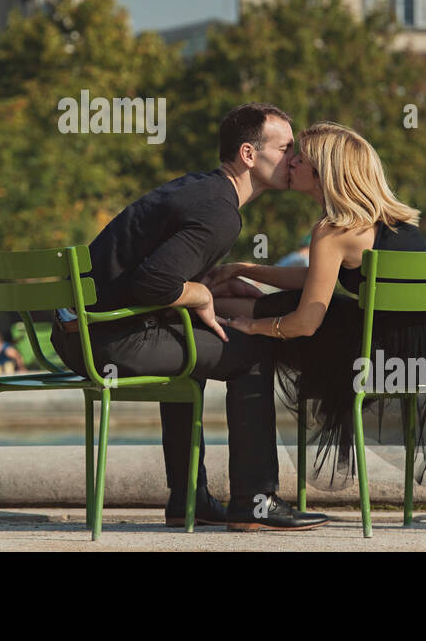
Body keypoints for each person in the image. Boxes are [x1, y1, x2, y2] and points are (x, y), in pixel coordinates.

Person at [49, 103, 329, 532]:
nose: (294, 158)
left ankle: (188, 500)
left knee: (198, 342)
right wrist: (198, 291)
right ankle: (255, 501)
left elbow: (147, 276)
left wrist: (206, 287)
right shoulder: (220, 212)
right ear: (248, 155)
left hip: (77, 334)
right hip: (106, 340)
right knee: (253, 349)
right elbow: (152, 283)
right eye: (286, 147)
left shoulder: (199, 190)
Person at [215, 122, 426, 490]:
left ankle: (198, 309)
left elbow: (306, 323)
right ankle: (209, 303)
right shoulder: (394, 225)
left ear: (323, 172)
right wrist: (246, 270)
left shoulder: (333, 230)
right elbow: (317, 278)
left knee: (281, 319)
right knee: (296, 304)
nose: (292, 163)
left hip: (375, 359)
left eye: (300, 158)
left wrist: (256, 327)